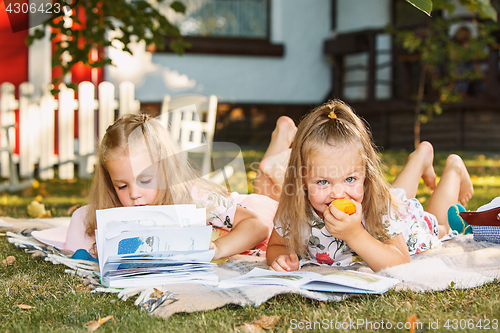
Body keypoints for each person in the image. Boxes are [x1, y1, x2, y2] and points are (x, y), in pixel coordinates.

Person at [263, 100, 474, 272]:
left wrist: (355, 234)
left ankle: (454, 170)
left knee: (439, 226)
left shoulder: (379, 205)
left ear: (366, 175)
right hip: (393, 204)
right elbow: (276, 245)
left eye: (350, 179)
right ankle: (421, 157)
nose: (338, 193)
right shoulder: (294, 208)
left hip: (408, 224)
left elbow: (400, 262)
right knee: (397, 196)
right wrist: (281, 258)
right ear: (302, 180)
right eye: (323, 182)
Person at [65, 113, 275, 260]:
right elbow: (82, 224)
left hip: (252, 210)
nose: (134, 194)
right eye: (121, 186)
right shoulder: (114, 208)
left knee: (276, 193)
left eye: (145, 181)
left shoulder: (198, 200)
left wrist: (217, 249)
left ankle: (276, 152)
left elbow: (258, 226)